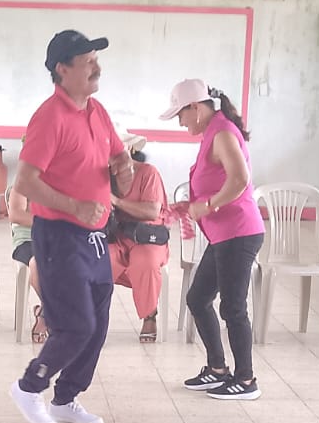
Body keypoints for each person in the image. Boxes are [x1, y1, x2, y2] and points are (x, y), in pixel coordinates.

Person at [7, 29, 133, 423]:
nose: (97, 68)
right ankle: (29, 387)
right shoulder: (50, 117)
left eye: (97, 60)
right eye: (88, 62)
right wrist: (75, 206)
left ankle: (66, 399)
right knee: (76, 325)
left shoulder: (98, 111)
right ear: (62, 69)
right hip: (59, 235)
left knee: (97, 325)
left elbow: (119, 166)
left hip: (94, 236)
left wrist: (125, 169)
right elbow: (26, 181)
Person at [163, 78, 263, 400]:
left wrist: (207, 205)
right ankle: (218, 369)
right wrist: (192, 206)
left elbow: (240, 179)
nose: (180, 123)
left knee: (233, 308)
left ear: (195, 107)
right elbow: (215, 181)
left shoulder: (222, 133)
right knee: (197, 299)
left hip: (239, 233)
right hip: (223, 235)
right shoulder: (212, 131)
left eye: (181, 115)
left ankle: (246, 380)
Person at [105, 136, 169, 344]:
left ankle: (149, 315)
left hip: (147, 235)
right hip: (118, 235)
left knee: (145, 262)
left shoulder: (148, 173)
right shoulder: (101, 175)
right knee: (99, 260)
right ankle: (93, 317)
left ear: (130, 148)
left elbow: (151, 211)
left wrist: (116, 201)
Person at [7, 180, 48, 343]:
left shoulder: (64, 181)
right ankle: (54, 313)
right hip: (28, 241)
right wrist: (51, 222)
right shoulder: (23, 183)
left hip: (58, 240)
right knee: (37, 264)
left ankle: (45, 314)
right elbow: (16, 215)